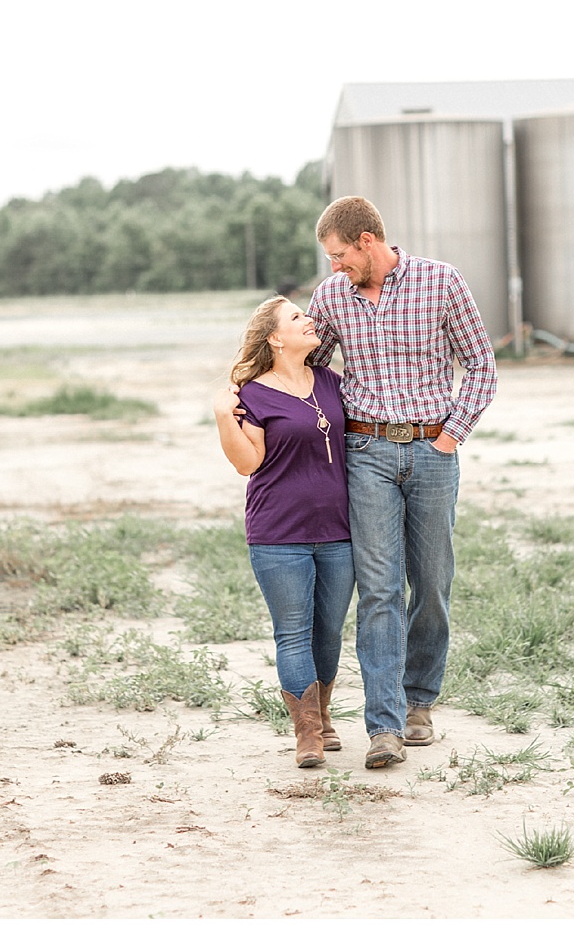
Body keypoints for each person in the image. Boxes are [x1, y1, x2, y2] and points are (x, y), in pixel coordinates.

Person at [306, 196, 497, 769]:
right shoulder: (330, 296)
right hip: (365, 453)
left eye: (340, 255)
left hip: (433, 450)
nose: (334, 266)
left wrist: (450, 435)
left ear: (367, 241)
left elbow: (481, 366)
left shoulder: (442, 282)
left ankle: (420, 702)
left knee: (432, 581)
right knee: (380, 588)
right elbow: (308, 367)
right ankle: (383, 726)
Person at [213, 296, 354, 769]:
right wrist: (220, 415)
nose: (310, 319)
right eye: (297, 317)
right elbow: (246, 463)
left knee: (329, 633)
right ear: (275, 338)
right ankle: (307, 735)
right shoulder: (250, 395)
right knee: (294, 633)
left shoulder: (331, 383)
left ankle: (325, 714)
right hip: (278, 534)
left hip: (338, 531)